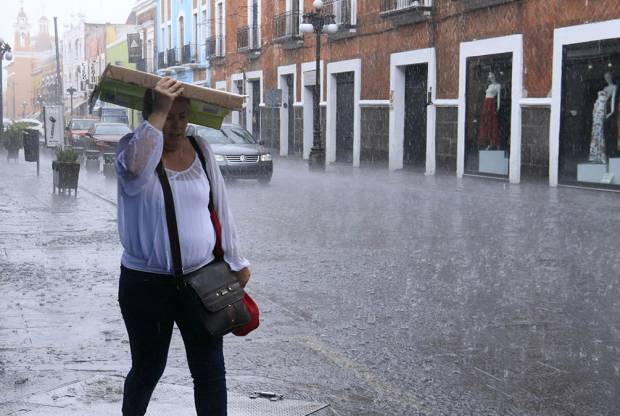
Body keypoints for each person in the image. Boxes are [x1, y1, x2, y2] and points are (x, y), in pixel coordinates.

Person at [115, 76, 251, 416]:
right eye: (166, 116)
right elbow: (133, 171)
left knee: (210, 372)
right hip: (146, 286)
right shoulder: (132, 150)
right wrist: (157, 114)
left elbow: (220, 204)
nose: (175, 125)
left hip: (202, 281)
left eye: (181, 116)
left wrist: (236, 260)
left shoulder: (201, 148)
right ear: (149, 116)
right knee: (148, 369)